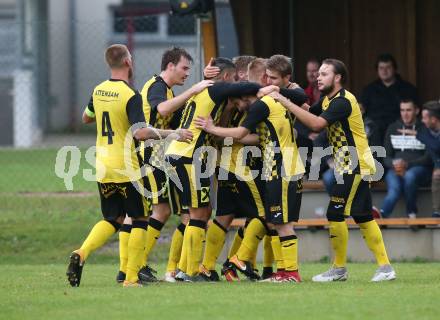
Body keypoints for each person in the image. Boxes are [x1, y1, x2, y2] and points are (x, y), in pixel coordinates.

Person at [66, 44, 192, 287]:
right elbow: (142, 133)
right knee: (140, 218)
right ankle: (131, 278)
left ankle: (81, 253)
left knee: (113, 218)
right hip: (127, 166)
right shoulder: (130, 95)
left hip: (102, 165)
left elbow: (86, 117)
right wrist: (173, 133)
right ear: (127, 62)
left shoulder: (98, 90)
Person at [272, 58, 396, 282]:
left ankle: (339, 269)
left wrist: (282, 99)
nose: (319, 77)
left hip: (355, 163)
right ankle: (385, 268)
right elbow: (310, 111)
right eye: (318, 73)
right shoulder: (328, 100)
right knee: (363, 216)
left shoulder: (343, 101)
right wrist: (289, 91)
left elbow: (317, 124)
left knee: (335, 214)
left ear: (337, 78)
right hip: (350, 164)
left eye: (324, 73)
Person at [195, 55, 308, 283]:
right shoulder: (257, 100)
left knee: (229, 216)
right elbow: (243, 134)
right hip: (244, 165)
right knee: (267, 216)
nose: (243, 83)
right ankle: (246, 262)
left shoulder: (249, 98)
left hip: (238, 162)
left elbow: (301, 100)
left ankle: (213, 267)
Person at [165, 58, 264, 281]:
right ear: (228, 77)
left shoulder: (208, 94)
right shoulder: (215, 88)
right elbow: (244, 87)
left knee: (203, 212)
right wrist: (268, 88)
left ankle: (186, 269)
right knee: (198, 214)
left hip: (187, 155)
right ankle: (187, 272)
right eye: (234, 79)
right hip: (189, 156)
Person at [137, 47, 213, 283]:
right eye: (184, 68)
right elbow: (161, 109)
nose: (187, 73)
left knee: (184, 214)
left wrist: (205, 81)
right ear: (170, 66)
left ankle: (173, 270)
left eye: (190, 69)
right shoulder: (158, 86)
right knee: (160, 210)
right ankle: (136, 264)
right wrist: (194, 89)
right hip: (149, 155)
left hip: (167, 158)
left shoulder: (169, 91)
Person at [380, 99, 431, 218]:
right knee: (394, 190)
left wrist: (407, 165)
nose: (405, 114)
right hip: (395, 168)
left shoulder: (424, 128)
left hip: (419, 168)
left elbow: (429, 157)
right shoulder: (393, 128)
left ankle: (411, 213)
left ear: (417, 111)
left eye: (408, 110)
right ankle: (382, 216)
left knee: (410, 176)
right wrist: (395, 164)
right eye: (402, 110)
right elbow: (385, 156)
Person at [360, 53, 418, 141]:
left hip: (399, 126)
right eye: (381, 68)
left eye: (388, 67)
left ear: (395, 69)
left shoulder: (408, 88)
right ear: (377, 70)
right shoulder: (369, 89)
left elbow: (416, 111)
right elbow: (361, 109)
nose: (384, 71)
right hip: (375, 129)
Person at [417, 100, 440, 218]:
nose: (422, 120)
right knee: (436, 175)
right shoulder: (427, 131)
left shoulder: (425, 134)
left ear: (434, 119)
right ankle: (437, 212)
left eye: (425, 117)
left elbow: (436, 146)